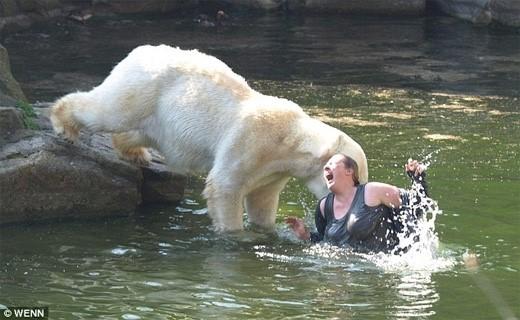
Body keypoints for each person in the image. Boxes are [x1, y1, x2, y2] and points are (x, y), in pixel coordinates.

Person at [285, 154, 432, 253]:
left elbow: (417, 206)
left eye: (332, 164)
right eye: (325, 166)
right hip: (346, 275)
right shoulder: (324, 206)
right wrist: (305, 235)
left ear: (350, 171)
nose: (326, 168)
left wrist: (418, 179)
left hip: (383, 270)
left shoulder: (373, 191)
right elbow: (324, 242)